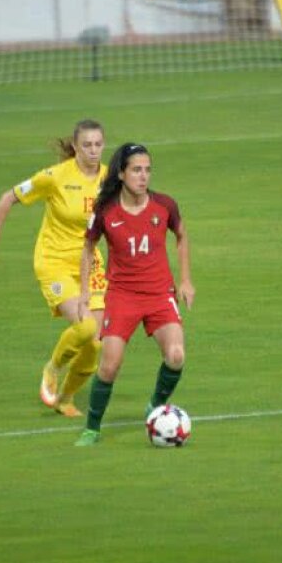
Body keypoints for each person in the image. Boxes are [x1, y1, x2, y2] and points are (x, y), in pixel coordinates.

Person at [0, 121, 108, 418]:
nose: (93, 150)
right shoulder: (55, 177)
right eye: (87, 145)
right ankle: (54, 367)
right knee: (85, 328)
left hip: (90, 263)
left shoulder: (110, 178)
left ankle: (65, 398)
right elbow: (8, 197)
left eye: (98, 144)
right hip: (54, 261)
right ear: (75, 147)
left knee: (96, 345)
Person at [74, 143, 194, 446]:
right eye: (137, 170)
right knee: (110, 365)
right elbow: (88, 248)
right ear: (122, 173)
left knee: (176, 355)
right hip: (122, 295)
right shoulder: (106, 210)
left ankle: (155, 405)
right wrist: (85, 292)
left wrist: (185, 281)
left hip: (158, 293)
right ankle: (92, 428)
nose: (144, 176)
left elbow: (181, 237)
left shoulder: (165, 205)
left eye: (147, 170)